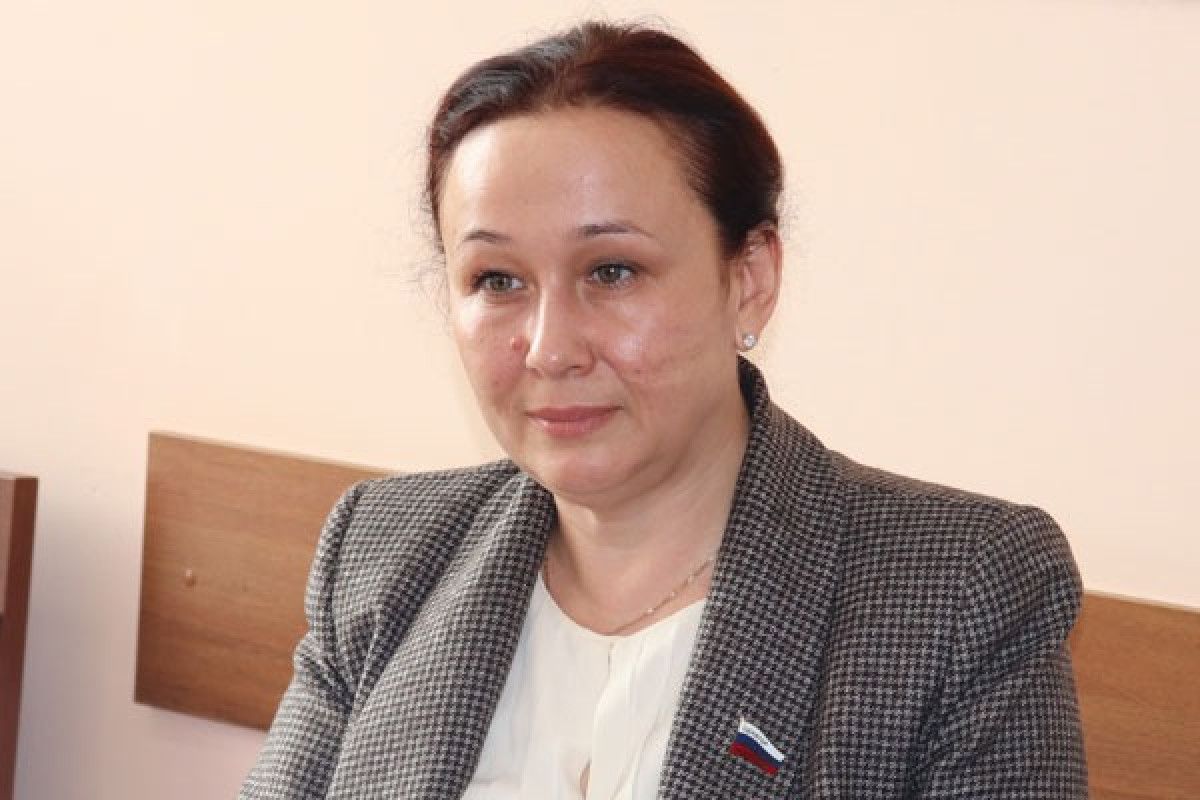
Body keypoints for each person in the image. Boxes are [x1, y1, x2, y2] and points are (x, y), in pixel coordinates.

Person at [241, 20, 1087, 800]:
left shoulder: (960, 590)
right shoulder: (384, 553)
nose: (550, 349)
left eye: (612, 271)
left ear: (748, 279)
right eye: (497, 280)